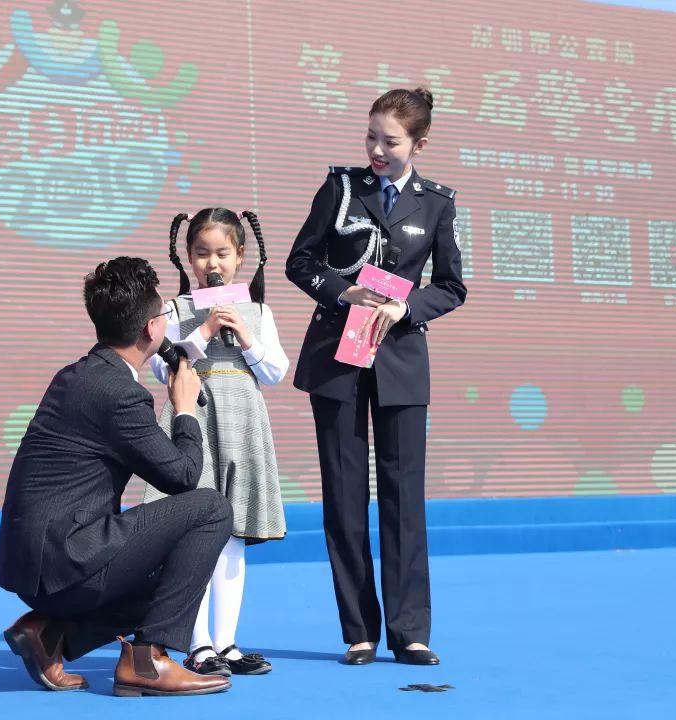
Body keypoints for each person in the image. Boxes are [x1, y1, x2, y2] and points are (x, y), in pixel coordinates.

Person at [0, 256, 234, 697]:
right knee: (211, 510)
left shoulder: (76, 376)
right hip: (67, 564)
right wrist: (184, 409)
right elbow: (182, 476)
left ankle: (49, 634)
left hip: (35, 567)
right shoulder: (119, 393)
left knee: (172, 555)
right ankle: (148, 659)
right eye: (163, 314)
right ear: (151, 329)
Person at [285, 88, 467, 667]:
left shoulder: (437, 204)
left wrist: (404, 306)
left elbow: (452, 286)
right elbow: (300, 262)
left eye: (390, 141)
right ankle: (358, 631)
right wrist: (345, 293)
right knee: (343, 495)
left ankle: (410, 632)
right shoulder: (341, 188)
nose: (377, 150)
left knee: (403, 496)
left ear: (419, 144)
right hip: (336, 357)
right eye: (371, 137)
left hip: (401, 360)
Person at [144, 208, 289, 677]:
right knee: (194, 533)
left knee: (233, 534)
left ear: (240, 256)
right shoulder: (174, 310)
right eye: (203, 253)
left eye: (223, 253)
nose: (213, 263)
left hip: (243, 423)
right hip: (195, 418)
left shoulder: (258, 311)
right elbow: (163, 368)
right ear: (188, 257)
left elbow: (275, 372)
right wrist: (203, 331)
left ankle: (226, 642)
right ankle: (198, 644)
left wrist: (244, 334)